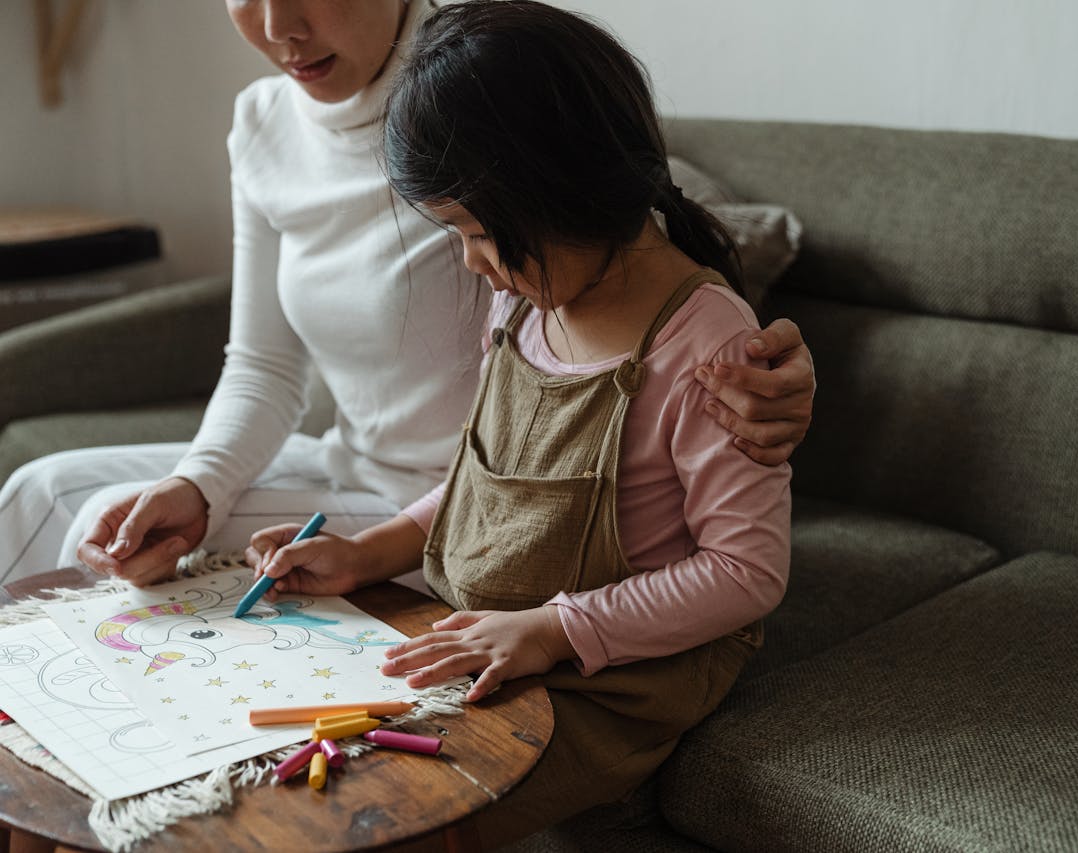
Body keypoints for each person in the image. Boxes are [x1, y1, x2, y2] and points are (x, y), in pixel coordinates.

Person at [0, 0, 814, 589]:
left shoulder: (483, 87)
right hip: (352, 465)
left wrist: (766, 365)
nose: (278, 25)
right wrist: (199, 486)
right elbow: (261, 366)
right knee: (38, 486)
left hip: (485, 498)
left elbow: (631, 230)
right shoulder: (261, 123)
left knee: (87, 516)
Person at [243, 1, 791, 845]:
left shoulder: (710, 345)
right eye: (452, 232)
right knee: (286, 776)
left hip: (616, 676)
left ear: (568, 184)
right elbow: (484, 489)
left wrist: (550, 629)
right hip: (500, 631)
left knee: (407, 817)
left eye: (479, 231)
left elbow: (746, 572)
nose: (470, 262)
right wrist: (367, 552)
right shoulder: (525, 301)